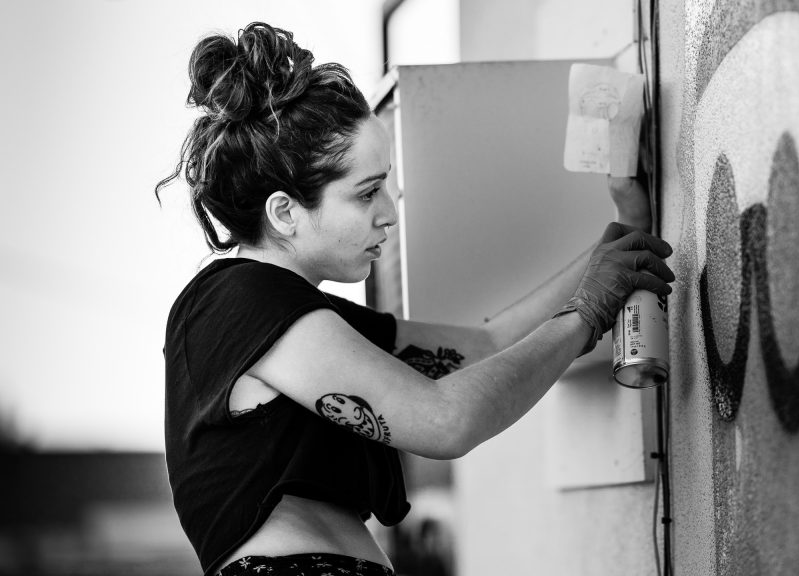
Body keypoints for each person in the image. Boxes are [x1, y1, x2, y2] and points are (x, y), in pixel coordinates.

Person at [157, 22, 674, 576]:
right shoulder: (236, 300)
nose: (390, 211)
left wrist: (619, 236)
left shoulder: (296, 317)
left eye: (386, 184)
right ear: (284, 212)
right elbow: (445, 422)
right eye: (366, 192)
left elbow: (486, 344)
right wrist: (588, 313)